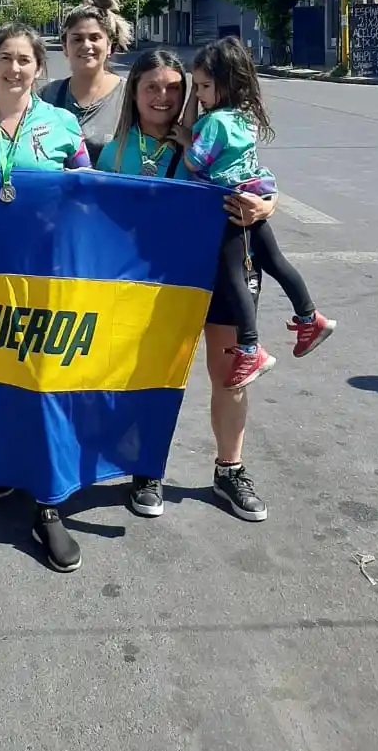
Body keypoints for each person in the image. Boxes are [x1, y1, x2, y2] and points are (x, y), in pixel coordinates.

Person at [97, 47, 276, 522]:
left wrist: (266, 205)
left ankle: (229, 470)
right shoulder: (113, 154)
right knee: (148, 376)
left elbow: (257, 182)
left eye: (175, 88)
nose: (163, 96)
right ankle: (146, 467)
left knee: (230, 374)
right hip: (148, 283)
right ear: (132, 92)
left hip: (222, 275)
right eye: (151, 87)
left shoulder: (210, 138)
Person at [0, 23, 90, 574]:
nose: (13, 68)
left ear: (38, 68)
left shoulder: (61, 124)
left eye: (24, 60)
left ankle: (50, 506)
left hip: (44, 276)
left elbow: (89, 190)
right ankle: (1, 463)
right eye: (4, 57)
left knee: (44, 382)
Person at [172, 38, 335, 391]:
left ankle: (250, 346)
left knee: (233, 274)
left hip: (230, 204)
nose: (198, 94)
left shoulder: (214, 124)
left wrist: (187, 140)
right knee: (275, 261)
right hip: (254, 195)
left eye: (203, 87)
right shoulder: (241, 118)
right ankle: (310, 316)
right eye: (195, 87)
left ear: (225, 84)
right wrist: (195, 98)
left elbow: (195, 162)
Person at [41, 0, 132, 164]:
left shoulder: (129, 96)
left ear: (109, 46)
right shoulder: (46, 96)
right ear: (65, 47)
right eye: (77, 39)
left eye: (95, 37)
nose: (86, 45)